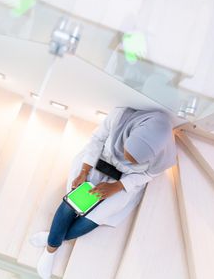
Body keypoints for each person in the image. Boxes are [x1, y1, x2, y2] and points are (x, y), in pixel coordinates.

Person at [30, 106, 177, 279]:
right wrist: (84, 172)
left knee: (96, 217)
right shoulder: (120, 116)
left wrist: (117, 186)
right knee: (73, 203)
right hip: (95, 164)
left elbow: (146, 174)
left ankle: (52, 242)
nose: (123, 155)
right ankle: (51, 249)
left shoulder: (165, 158)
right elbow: (97, 139)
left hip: (123, 181)